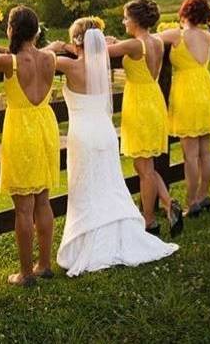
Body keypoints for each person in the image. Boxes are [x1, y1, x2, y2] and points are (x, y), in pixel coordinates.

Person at [47, 19, 178, 277]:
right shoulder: (101, 66)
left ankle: (89, 241)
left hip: (83, 135)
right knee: (109, 183)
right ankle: (119, 230)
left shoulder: (68, 65)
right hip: (106, 133)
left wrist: (55, 45)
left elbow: (39, 58)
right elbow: (91, 52)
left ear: (75, 42)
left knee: (85, 185)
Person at [0, 5, 59, 287]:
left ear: (11, 30)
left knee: (23, 208)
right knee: (43, 199)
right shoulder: (51, 57)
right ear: (37, 30)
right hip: (45, 126)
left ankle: (26, 272)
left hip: (21, 128)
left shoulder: (11, 63)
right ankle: (45, 263)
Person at [106, 0, 183, 237]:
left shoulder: (133, 46)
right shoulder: (157, 41)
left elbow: (102, 51)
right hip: (154, 98)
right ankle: (169, 204)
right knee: (145, 164)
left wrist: (106, 41)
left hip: (139, 104)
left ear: (136, 20)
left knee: (144, 167)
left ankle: (148, 221)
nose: (124, 21)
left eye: (126, 17)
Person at [157, 0, 210, 217]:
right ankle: (204, 195)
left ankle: (191, 201)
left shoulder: (177, 34)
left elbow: (149, 39)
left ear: (183, 13)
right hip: (206, 88)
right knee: (206, 150)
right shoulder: (207, 36)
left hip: (187, 92)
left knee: (190, 155)